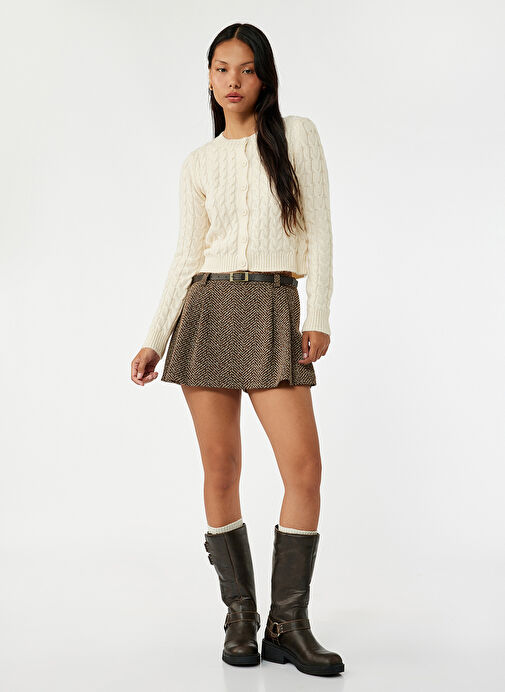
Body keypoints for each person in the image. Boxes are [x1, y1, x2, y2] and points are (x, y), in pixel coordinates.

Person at [130, 22, 345, 677]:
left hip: (274, 306)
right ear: (207, 77)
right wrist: (154, 337)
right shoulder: (198, 163)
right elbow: (186, 255)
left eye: (246, 69)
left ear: (264, 77)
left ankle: (288, 624)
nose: (233, 81)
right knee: (220, 471)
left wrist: (318, 315)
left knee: (302, 471)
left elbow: (319, 230)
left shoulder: (296, 135)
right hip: (208, 310)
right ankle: (241, 619)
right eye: (221, 68)